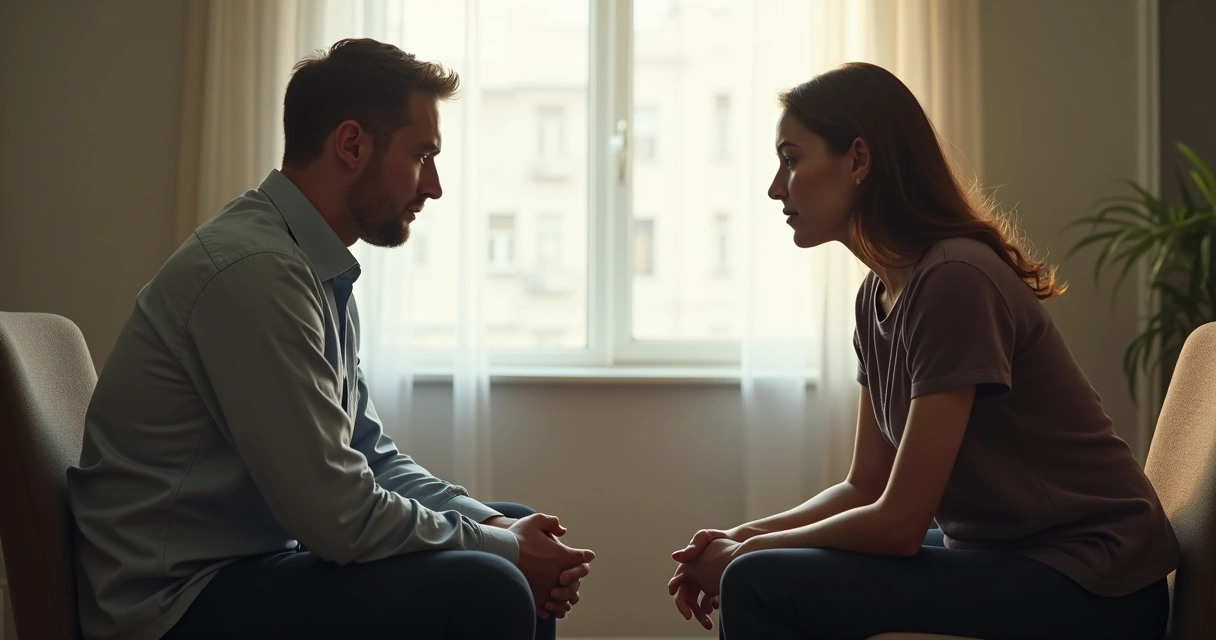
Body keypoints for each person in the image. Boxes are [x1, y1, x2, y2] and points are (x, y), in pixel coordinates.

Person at [67, 38, 594, 640]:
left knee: (513, 529)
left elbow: (368, 453)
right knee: (493, 581)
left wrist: (495, 528)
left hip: (246, 567)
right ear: (351, 144)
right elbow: (339, 516)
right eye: (422, 156)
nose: (435, 186)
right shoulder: (254, 272)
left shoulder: (309, 266)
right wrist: (502, 550)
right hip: (174, 604)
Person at [667, 62, 1180, 640]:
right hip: (1012, 554)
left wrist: (745, 554)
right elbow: (866, 487)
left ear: (858, 159)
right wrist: (738, 537)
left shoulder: (954, 278)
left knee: (758, 579)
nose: (775, 186)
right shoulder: (877, 295)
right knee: (759, 567)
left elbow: (899, 525)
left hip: (1092, 581)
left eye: (791, 158)